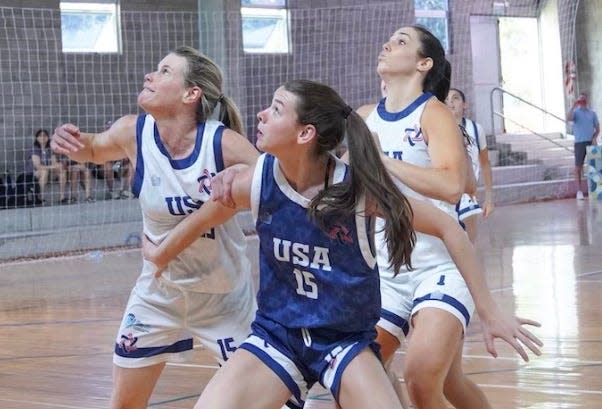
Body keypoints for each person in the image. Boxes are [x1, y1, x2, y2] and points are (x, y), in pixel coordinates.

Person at [142, 79, 542, 409]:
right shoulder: (256, 181)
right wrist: (160, 253)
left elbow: (449, 227)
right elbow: (206, 216)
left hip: (343, 342)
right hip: (278, 335)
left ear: (305, 133)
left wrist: (489, 312)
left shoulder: (358, 191)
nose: (261, 114)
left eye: (276, 109)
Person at [51, 46, 260, 409]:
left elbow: (275, 182)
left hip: (223, 298)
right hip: (157, 295)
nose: (150, 75)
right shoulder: (134, 131)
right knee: (124, 404)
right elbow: (95, 148)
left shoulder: (222, 142)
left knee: (271, 399)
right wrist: (70, 142)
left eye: (164, 71)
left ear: (190, 94)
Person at [357, 25, 541, 409]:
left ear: (424, 63)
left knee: (423, 379)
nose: (387, 43)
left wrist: (382, 161)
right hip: (385, 274)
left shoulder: (433, 113)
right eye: (389, 38)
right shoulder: (364, 118)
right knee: (365, 374)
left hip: (438, 266)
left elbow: (453, 185)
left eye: (402, 41)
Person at [445, 87, 495, 242]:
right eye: (446, 99)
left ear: (464, 104)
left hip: (467, 196)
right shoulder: (437, 130)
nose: (450, 102)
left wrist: (489, 198)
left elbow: (485, 163)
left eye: (455, 98)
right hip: (444, 195)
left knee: (468, 246)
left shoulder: (475, 129)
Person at [567, 92, 599, 200]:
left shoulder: (592, 113)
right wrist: (573, 105)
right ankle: (579, 191)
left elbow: (598, 128)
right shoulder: (575, 112)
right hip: (579, 143)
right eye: (580, 99)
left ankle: (596, 190)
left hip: (590, 142)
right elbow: (568, 118)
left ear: (587, 100)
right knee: (578, 168)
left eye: (584, 99)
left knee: (595, 166)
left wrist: (594, 137)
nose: (582, 101)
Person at [22, 128, 67, 205]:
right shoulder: (35, 149)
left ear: (48, 137)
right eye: (40, 135)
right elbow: (38, 166)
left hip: (47, 172)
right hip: (34, 174)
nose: (43, 137)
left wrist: (58, 165)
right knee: (44, 171)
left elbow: (54, 162)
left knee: (62, 171)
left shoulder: (49, 149)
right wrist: (52, 167)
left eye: (45, 135)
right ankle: (40, 197)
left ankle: (62, 197)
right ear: (37, 138)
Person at [101, 120, 133, 200]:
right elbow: (102, 158)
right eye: (107, 128)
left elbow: (127, 155)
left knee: (131, 165)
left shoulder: (121, 139)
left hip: (119, 166)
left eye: (111, 127)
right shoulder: (101, 139)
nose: (109, 130)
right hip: (103, 168)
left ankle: (125, 191)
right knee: (107, 166)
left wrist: (124, 158)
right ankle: (111, 191)